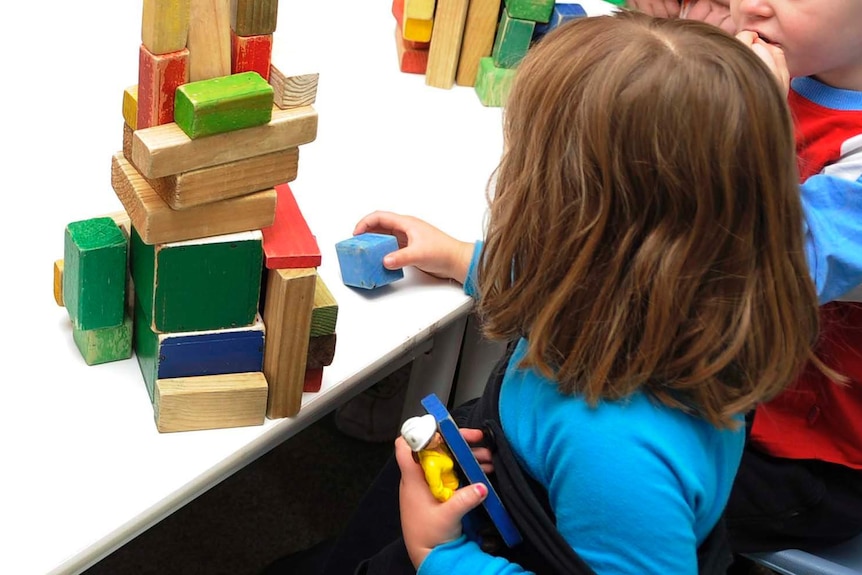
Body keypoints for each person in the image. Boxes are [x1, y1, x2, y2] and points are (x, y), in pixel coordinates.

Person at [261, 11, 824, 575]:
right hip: (512, 482)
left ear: (574, 221)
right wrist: (461, 258)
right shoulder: (670, 303)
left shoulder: (619, 457)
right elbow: (558, 288)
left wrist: (441, 555)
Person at [629, 0, 862, 564]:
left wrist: (743, 113)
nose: (750, 5)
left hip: (801, 457)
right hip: (701, 378)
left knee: (587, 479)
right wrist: (678, 46)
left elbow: (755, 273)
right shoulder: (787, 54)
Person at [401, 414, 460, 503]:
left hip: (456, 475)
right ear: (425, 445)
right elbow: (438, 492)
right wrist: (453, 496)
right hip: (454, 488)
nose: (437, 436)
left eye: (434, 432)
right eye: (431, 438)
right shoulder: (431, 464)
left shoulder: (436, 447)